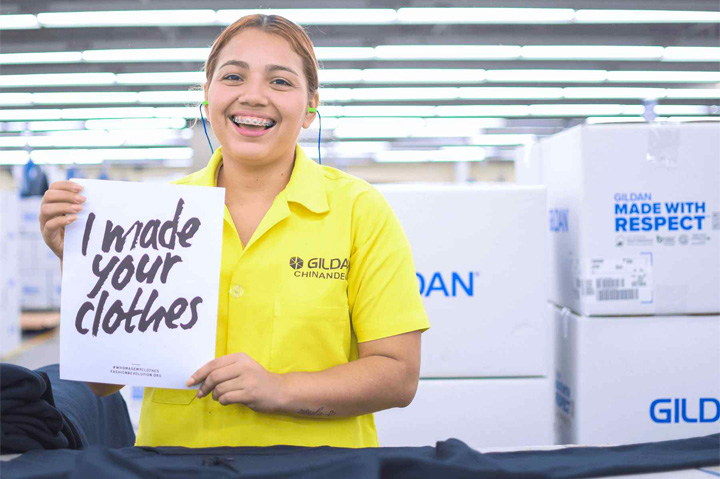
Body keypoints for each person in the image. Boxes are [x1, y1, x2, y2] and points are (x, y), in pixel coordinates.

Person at [39, 14, 429, 448]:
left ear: (311, 108)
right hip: (175, 464)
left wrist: (280, 389)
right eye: (233, 76)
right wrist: (82, 264)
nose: (254, 96)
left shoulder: (358, 211)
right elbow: (101, 385)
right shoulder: (149, 217)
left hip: (321, 466)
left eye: (280, 82)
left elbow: (398, 376)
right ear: (207, 97)